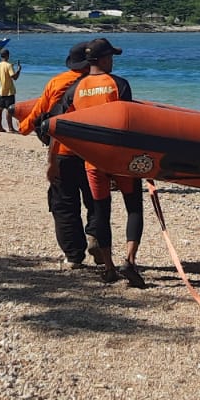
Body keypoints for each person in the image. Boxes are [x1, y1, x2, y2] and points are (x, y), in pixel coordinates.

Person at [61, 38, 146, 287]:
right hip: (121, 160)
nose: (113, 61)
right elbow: (129, 121)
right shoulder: (118, 84)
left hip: (93, 162)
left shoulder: (74, 89)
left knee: (100, 212)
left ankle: (109, 268)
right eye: (111, 56)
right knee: (133, 208)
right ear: (103, 59)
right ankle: (129, 260)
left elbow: (67, 125)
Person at [20, 41, 92, 270]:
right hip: (93, 154)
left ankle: (74, 256)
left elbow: (40, 110)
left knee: (64, 205)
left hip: (61, 152)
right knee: (96, 202)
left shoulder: (57, 82)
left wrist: (23, 127)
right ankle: (98, 240)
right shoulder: (101, 84)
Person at [0, 49, 22, 133]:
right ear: (8, 56)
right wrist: (19, 69)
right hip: (9, 91)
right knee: (9, 110)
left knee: (0, 109)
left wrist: (11, 66)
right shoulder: (9, 65)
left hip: (2, 90)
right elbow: (15, 77)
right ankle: (10, 128)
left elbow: (5, 71)